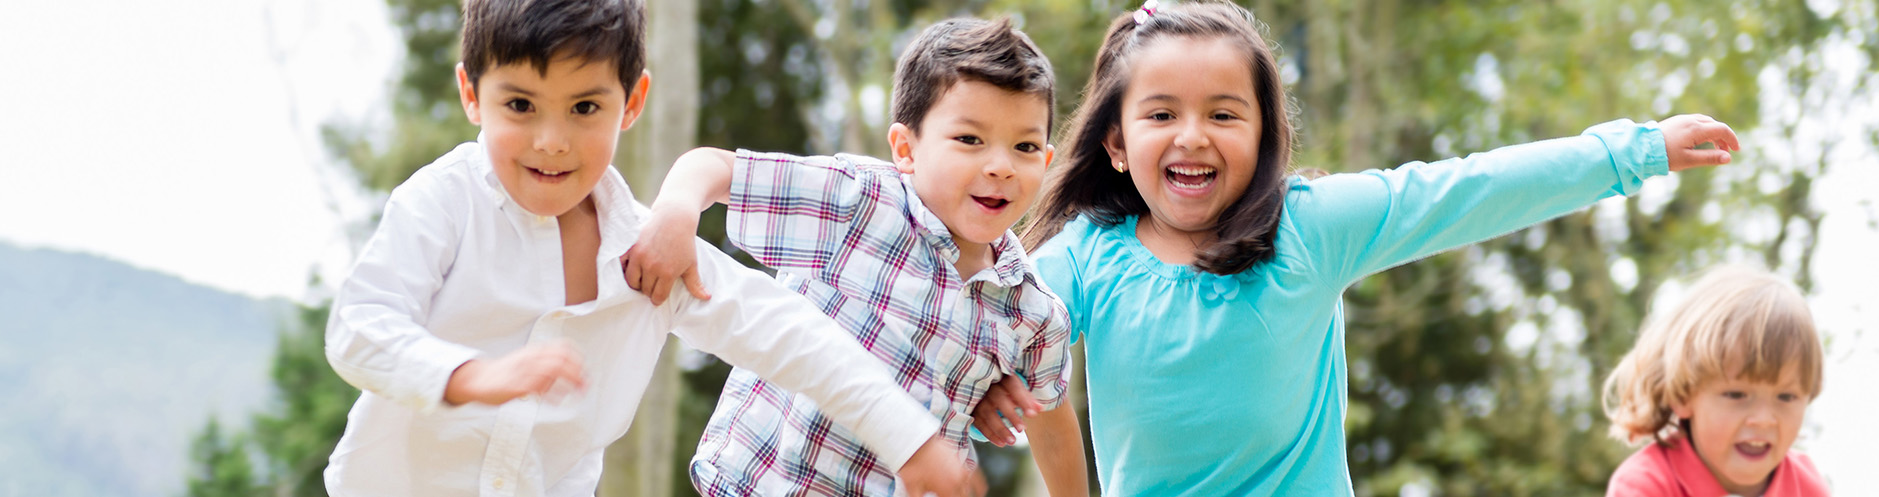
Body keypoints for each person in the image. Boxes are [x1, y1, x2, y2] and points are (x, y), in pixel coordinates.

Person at [973, 1, 1743, 494]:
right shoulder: (1083, 259)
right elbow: (985, 347)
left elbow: (1467, 189)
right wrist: (989, 395)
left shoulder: (1308, 227)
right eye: (1162, 113)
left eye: (1225, 113)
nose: (1193, 135)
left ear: (1265, 134)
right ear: (1115, 140)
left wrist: (1635, 151)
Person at [320, 1, 967, 495]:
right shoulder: (444, 200)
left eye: (583, 107)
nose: (551, 140)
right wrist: (472, 376)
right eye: (520, 104)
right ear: (471, 94)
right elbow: (359, 327)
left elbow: (792, 335)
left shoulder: (651, 253)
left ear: (631, 103)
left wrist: (907, 437)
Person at [619, 17, 1088, 497]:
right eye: (969, 139)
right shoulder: (860, 202)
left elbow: (1051, 422)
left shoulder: (1032, 311)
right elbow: (714, 167)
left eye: (1025, 147)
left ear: (1046, 162)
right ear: (906, 148)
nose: (1001, 166)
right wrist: (676, 209)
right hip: (762, 481)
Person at [1602, 266, 1828, 496]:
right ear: (1682, 394)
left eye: (1786, 397)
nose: (1763, 420)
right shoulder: (1645, 485)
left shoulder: (1807, 486)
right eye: (1737, 395)